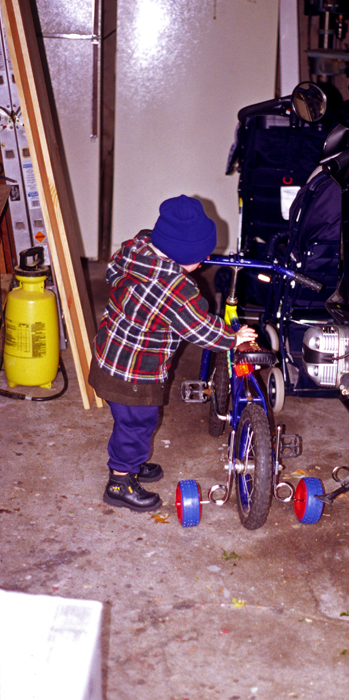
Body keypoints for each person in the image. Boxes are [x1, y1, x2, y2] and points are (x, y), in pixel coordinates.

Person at [89, 195, 257, 512]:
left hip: (109, 353)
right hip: (134, 373)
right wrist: (232, 338)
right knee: (136, 425)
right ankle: (119, 480)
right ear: (183, 254)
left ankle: (130, 464)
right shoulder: (174, 289)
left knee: (128, 422)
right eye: (201, 256)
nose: (205, 261)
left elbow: (112, 272)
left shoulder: (135, 248)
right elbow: (198, 329)